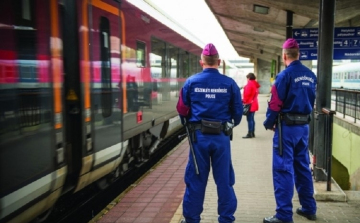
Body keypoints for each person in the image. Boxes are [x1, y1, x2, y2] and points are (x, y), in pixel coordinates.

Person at [176, 43, 243, 223]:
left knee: (196, 179)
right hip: (221, 138)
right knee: (224, 180)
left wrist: (190, 122)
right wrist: (229, 126)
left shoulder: (191, 82)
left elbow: (182, 110)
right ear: (219, 62)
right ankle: (226, 218)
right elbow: (238, 112)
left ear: (201, 62)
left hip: (199, 138)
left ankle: (191, 219)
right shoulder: (229, 83)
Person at [263, 38, 317, 223]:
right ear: (298, 54)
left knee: (283, 169)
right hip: (303, 128)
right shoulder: (311, 75)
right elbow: (312, 99)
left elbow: (275, 102)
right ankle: (309, 208)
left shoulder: (284, 76)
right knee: (302, 167)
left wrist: (269, 122)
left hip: (286, 129)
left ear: (284, 55)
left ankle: (284, 216)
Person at [242, 72, 260, 138]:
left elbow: (247, 94)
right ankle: (252, 133)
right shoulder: (255, 84)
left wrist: (243, 101)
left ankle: (249, 133)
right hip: (254, 103)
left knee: (249, 119)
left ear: (249, 78)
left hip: (250, 104)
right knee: (252, 119)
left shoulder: (249, 84)